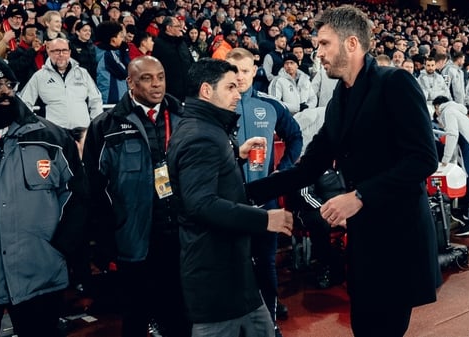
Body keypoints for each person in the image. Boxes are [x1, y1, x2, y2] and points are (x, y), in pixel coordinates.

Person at [245, 6, 440, 337]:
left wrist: (361, 196)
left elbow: (423, 159)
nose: (317, 53)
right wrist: (246, 192)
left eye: (324, 44)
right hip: (365, 237)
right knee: (363, 327)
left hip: (399, 236)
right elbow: (309, 167)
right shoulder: (340, 99)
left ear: (351, 43)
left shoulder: (395, 82)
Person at [166, 58, 293, 337]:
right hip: (215, 273)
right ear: (206, 91)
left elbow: (207, 180)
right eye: (231, 87)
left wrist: (235, 156)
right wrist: (264, 219)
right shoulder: (201, 135)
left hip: (230, 266)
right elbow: (201, 203)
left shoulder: (207, 128)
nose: (238, 94)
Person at [0, 53, 88, 337]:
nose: (5, 92)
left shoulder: (52, 138)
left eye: (9, 84)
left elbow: (78, 196)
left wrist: (60, 248)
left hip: (41, 274)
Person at [82, 56, 191, 337]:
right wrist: (106, 240)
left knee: (182, 313)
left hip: (181, 234)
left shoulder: (184, 118)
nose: (157, 84)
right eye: (147, 78)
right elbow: (95, 188)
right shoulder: (105, 126)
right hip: (135, 237)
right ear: (130, 82)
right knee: (136, 314)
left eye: (161, 76)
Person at [226, 48, 303, 337]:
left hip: (264, 199)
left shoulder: (270, 105)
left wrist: (281, 172)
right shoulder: (216, 107)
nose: (240, 76)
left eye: (245, 70)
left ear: (254, 69)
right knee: (233, 265)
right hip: (229, 201)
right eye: (234, 70)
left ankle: (269, 324)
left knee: (266, 263)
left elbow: (295, 136)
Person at [432, 96, 469, 236]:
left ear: (438, 106)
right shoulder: (457, 111)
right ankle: (466, 217)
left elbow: (452, 134)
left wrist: (445, 158)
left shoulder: (448, 111)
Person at [20, 38, 102, 130]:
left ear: (70, 52)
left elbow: (96, 101)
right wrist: (33, 127)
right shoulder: (39, 76)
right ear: (49, 53)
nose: (61, 54)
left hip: (82, 132)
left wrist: (95, 126)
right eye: (56, 51)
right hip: (55, 135)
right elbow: (25, 102)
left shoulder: (83, 73)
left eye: (64, 50)